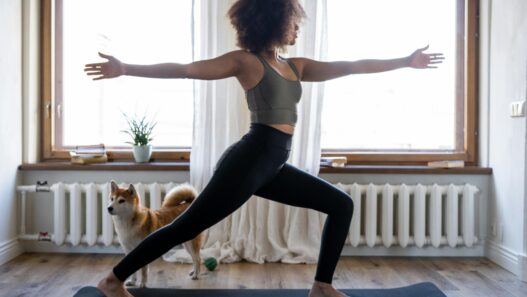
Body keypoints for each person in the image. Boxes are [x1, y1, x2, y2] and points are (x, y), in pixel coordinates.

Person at [84, 1, 444, 296]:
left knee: (340, 204)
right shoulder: (246, 62)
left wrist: (405, 61)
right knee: (184, 226)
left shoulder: (294, 66)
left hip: (272, 164)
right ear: (274, 21)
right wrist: (126, 68)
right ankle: (112, 281)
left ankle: (321, 286)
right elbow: (186, 69)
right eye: (293, 21)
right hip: (248, 161)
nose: (297, 28)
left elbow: (351, 66)